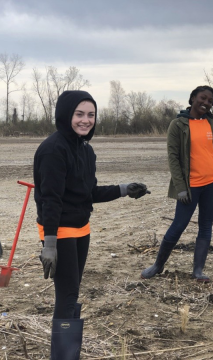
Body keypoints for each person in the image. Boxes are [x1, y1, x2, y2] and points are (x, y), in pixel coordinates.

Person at [34, 90, 150, 360]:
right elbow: (49, 200)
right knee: (67, 294)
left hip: (81, 229)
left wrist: (124, 189)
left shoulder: (85, 150)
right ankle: (62, 356)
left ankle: (67, 353)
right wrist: (49, 243)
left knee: (72, 292)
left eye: (91, 115)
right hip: (59, 231)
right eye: (79, 114)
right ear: (65, 115)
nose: (86, 120)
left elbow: (89, 193)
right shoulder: (53, 150)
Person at [141, 85, 213, 283]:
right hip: (190, 187)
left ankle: (198, 271)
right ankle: (158, 266)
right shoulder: (178, 124)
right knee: (178, 225)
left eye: (210, 101)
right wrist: (181, 188)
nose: (206, 103)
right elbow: (173, 158)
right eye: (203, 98)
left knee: (205, 226)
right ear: (192, 98)